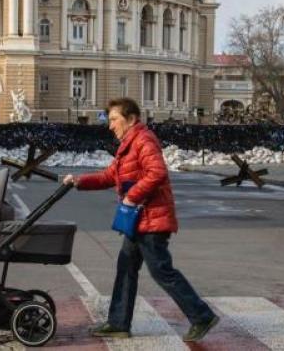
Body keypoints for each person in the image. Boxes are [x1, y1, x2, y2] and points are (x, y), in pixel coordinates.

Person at [62, 97, 219, 342]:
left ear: (131, 119)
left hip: (151, 220)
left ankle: (202, 316)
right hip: (140, 220)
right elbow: (108, 176)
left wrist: (131, 198)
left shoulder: (143, 141)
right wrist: (79, 181)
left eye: (114, 119)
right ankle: (118, 323)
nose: (110, 125)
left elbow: (157, 173)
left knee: (161, 271)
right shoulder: (128, 146)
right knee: (126, 268)